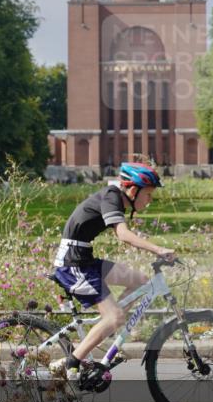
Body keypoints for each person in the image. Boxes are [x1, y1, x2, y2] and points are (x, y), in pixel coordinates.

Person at [49, 162, 176, 383]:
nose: (150, 200)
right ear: (133, 190)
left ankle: (109, 324)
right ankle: (73, 361)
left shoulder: (115, 198)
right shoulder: (111, 196)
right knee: (115, 316)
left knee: (141, 281)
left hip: (84, 259)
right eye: (148, 194)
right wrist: (158, 249)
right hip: (72, 264)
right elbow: (123, 234)